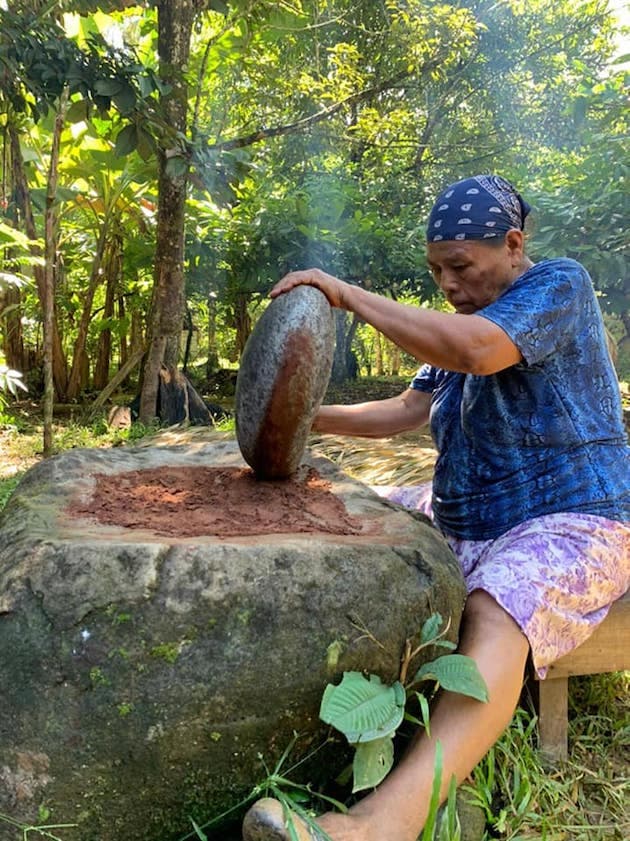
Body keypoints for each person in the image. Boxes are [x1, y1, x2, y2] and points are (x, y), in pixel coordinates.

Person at [241, 175, 630, 841]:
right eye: (436, 270)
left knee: (495, 606)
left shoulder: (559, 286)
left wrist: (347, 296)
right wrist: (300, 420)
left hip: (577, 519)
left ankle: (376, 824)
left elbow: (476, 351)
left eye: (460, 266)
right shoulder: (465, 323)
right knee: (356, 511)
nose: (447, 284)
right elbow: (407, 409)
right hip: (471, 517)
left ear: (513, 245)